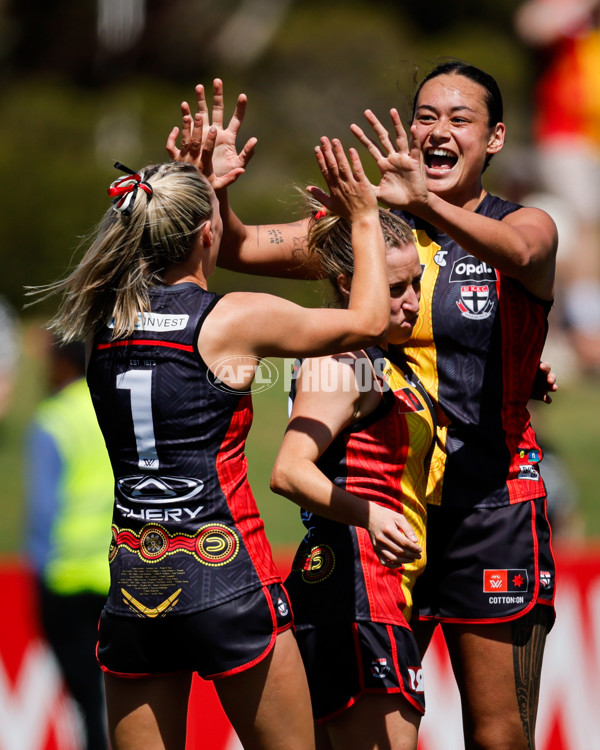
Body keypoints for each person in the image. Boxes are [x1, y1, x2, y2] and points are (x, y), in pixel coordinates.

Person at [171, 67, 558, 750]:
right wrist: (212, 191)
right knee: (364, 727)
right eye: (426, 115)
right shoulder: (370, 229)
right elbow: (239, 247)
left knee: (500, 734)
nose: (438, 130)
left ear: (496, 137)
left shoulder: (520, 224)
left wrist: (429, 208)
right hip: (378, 506)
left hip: (490, 507)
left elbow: (526, 253)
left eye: (460, 118)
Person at [34, 122, 391, 750]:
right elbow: (367, 321)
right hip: (225, 575)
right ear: (206, 233)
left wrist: (201, 189)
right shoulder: (234, 319)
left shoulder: (100, 315)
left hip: (133, 587)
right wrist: (363, 217)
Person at [270, 203, 434, 750]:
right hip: (357, 594)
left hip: (367, 592)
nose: (411, 301)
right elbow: (289, 469)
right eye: (394, 288)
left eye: (416, 282)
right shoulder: (342, 361)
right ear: (348, 283)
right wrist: (372, 514)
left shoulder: (378, 357)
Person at [25, 335, 113, 750]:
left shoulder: (53, 419)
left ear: (60, 363)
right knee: (120, 692)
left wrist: (38, 572)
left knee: (86, 701)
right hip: (117, 572)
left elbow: (43, 510)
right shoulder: (111, 408)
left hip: (64, 576)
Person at [515, 0, 600, 373]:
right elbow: (532, 25)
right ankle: (586, 331)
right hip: (566, 139)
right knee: (582, 227)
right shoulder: (572, 15)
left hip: (593, 141)